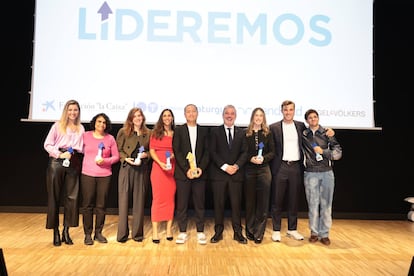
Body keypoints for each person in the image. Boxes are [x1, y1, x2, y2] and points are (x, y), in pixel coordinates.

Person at [269, 100, 334, 242]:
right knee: (277, 200)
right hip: (280, 167)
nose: (288, 112)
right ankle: (276, 230)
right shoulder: (273, 127)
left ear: (294, 111)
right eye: (285, 110)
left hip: (296, 167)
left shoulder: (300, 126)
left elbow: (315, 131)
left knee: (293, 200)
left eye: (291, 110)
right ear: (282, 111)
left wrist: (328, 131)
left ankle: (292, 229)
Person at [43, 99, 84, 246]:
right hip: (57, 162)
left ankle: (66, 231)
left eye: (75, 110)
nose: (73, 113)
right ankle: (55, 231)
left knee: (72, 198)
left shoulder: (81, 128)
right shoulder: (57, 126)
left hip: (73, 162)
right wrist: (60, 155)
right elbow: (47, 144)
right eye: (70, 110)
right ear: (66, 111)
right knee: (54, 197)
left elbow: (81, 147)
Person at [209, 104, 249, 244]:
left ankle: (237, 232)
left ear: (235, 116)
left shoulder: (241, 132)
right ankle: (218, 231)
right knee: (218, 204)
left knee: (236, 205)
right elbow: (212, 152)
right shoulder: (215, 132)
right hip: (219, 175)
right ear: (223, 115)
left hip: (236, 175)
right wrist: (225, 167)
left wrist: (236, 166)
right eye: (227, 113)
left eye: (232, 113)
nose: (229, 115)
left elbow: (245, 152)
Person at [302, 109, 342, 246]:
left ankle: (324, 234)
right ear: (307, 120)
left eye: (315, 117)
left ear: (318, 118)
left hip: (327, 173)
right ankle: (314, 232)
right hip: (310, 173)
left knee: (326, 205)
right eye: (310, 118)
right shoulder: (304, 134)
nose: (313, 119)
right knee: (312, 204)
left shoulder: (327, 133)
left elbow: (337, 153)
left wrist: (323, 152)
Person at [172, 104, 210, 245]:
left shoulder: (204, 131)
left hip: (200, 174)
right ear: (185, 114)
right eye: (188, 111)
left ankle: (200, 231)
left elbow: (207, 152)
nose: (191, 113)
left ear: (197, 113)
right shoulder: (179, 130)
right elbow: (177, 151)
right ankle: (182, 231)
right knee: (182, 204)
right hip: (183, 174)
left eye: (194, 111)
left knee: (200, 203)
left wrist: (201, 168)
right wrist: (186, 169)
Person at [80, 113, 120, 245]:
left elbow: (116, 157)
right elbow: (77, 149)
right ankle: (87, 234)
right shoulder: (85, 136)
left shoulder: (110, 139)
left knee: (101, 206)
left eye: (104, 122)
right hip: (88, 174)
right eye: (99, 122)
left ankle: (98, 233)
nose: (101, 124)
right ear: (94, 123)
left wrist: (105, 161)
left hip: (104, 175)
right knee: (87, 205)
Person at [116, 107, 151, 243]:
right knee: (123, 202)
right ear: (131, 118)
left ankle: (137, 234)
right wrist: (125, 158)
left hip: (141, 170)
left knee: (139, 202)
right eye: (135, 116)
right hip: (126, 169)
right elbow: (118, 150)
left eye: (140, 115)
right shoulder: (123, 132)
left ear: (143, 118)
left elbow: (151, 151)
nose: (138, 118)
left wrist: (145, 155)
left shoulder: (149, 133)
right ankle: (122, 235)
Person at [243, 107, 275, 244]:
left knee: (263, 203)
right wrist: (250, 158)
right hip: (249, 170)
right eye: (256, 115)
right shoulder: (246, 133)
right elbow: (243, 152)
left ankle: (259, 232)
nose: (258, 118)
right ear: (252, 117)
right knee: (250, 202)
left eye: (261, 115)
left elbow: (272, 152)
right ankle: (250, 230)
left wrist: (264, 159)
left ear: (263, 118)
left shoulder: (268, 133)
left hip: (264, 170)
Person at [149, 108, 176, 243]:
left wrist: (173, 155)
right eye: (164, 115)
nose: (167, 118)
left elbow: (179, 150)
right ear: (161, 118)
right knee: (158, 199)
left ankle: (169, 229)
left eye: (169, 115)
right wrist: (160, 163)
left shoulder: (176, 134)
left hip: (171, 170)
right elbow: (152, 151)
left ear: (172, 118)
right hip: (158, 169)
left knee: (170, 199)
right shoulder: (155, 133)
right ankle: (155, 231)